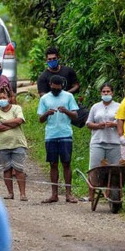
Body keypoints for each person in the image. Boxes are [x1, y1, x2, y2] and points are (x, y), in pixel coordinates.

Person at [37, 75, 79, 203]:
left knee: (66, 163)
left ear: (62, 86)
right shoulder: (44, 98)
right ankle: (54, 194)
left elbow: (75, 116)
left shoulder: (68, 96)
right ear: (50, 85)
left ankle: (68, 194)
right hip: (51, 135)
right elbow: (40, 119)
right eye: (54, 87)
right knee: (53, 164)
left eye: (58, 88)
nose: (56, 89)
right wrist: (47, 113)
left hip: (65, 133)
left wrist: (66, 111)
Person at [0, 86, 28, 201]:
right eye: (0, 97)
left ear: (9, 98)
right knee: (6, 170)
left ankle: (22, 194)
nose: (1, 99)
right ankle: (10, 193)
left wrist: (4, 122)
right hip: (1, 145)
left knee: (19, 169)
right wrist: (12, 124)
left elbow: (20, 120)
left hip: (17, 143)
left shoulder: (16, 108)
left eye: (4, 97)